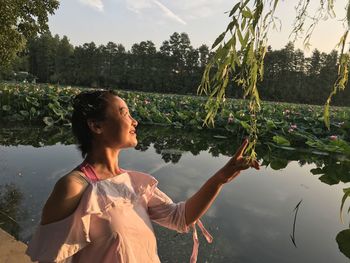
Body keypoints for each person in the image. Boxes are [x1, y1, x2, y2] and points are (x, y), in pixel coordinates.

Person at [26, 90, 260, 263]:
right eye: (124, 113)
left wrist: (220, 177)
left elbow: (181, 218)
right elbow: (48, 258)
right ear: (97, 126)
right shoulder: (74, 187)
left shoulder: (133, 183)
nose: (134, 121)